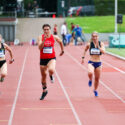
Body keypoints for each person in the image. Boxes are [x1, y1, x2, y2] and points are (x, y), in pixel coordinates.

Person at [37, 24, 64, 100]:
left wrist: (62, 50)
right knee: (43, 77)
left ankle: (51, 75)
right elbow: (39, 48)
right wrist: (44, 40)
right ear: (43, 30)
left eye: (47, 29)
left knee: (51, 69)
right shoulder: (40, 37)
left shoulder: (54, 37)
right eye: (44, 29)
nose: (46, 31)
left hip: (51, 58)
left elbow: (61, 42)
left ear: (50, 30)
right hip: (43, 59)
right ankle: (44, 91)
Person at [81, 32, 105, 97]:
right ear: (92, 37)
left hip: (98, 63)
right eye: (93, 36)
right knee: (90, 72)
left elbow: (104, 52)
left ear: (98, 37)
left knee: (97, 79)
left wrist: (99, 47)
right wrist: (83, 58)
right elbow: (85, 50)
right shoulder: (89, 44)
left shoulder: (101, 43)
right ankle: (90, 79)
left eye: (96, 36)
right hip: (91, 62)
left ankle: (95, 90)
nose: (94, 38)